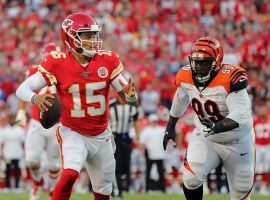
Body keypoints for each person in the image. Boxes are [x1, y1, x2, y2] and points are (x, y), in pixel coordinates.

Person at [16, 12, 138, 200]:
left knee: (104, 190)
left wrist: (130, 97)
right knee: (70, 173)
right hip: (73, 131)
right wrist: (35, 99)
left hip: (101, 134)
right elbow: (22, 89)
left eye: (94, 36)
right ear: (70, 38)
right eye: (87, 36)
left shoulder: (108, 59)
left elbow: (127, 98)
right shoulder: (57, 63)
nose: (93, 41)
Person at [163, 37, 255, 200]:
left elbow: (240, 115)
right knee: (191, 179)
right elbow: (180, 100)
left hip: (238, 141)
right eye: (196, 62)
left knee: (241, 192)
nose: (198, 67)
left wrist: (218, 126)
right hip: (207, 137)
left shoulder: (230, 78)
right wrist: (170, 127)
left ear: (216, 62)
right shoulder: (186, 75)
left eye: (204, 62)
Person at [16, 43, 61, 199]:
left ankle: (52, 190)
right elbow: (25, 90)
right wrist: (21, 110)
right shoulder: (35, 71)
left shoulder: (65, 71)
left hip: (57, 125)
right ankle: (38, 183)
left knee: (55, 164)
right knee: (32, 160)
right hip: (36, 122)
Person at [109, 95, 140, 199]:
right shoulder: (111, 106)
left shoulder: (132, 106)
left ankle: (117, 185)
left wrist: (138, 136)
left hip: (126, 138)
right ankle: (118, 191)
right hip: (115, 138)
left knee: (125, 166)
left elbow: (136, 120)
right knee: (117, 165)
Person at [140, 114, 166, 193]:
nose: (154, 122)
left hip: (160, 153)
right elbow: (142, 142)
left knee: (161, 172)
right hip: (149, 153)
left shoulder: (162, 129)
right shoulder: (146, 130)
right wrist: (142, 151)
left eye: (155, 121)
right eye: (152, 121)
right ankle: (147, 189)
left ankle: (162, 189)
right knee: (148, 171)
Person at [0, 114, 25, 191]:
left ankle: (17, 187)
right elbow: (2, 143)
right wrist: (2, 153)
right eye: (11, 119)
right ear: (9, 120)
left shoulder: (20, 130)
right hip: (7, 154)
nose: (12, 121)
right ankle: (7, 187)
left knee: (17, 171)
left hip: (17, 154)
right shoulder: (4, 131)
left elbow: (23, 143)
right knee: (7, 171)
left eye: (13, 119)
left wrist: (23, 153)